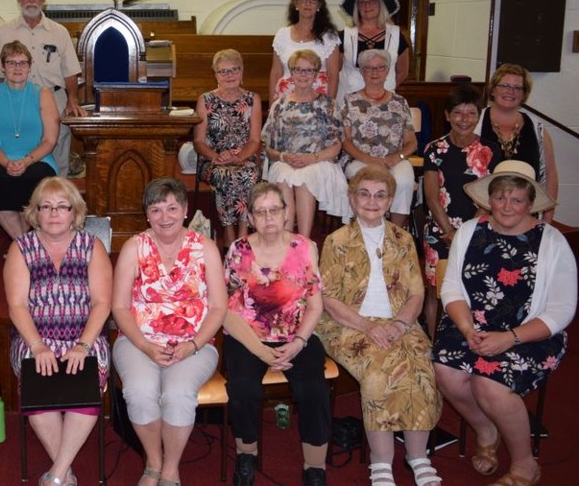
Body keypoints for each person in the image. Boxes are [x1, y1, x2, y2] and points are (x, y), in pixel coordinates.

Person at [434, 161, 575, 486]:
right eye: (500, 198)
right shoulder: (470, 231)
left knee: (488, 383)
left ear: (529, 203)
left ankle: (525, 464)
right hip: (471, 325)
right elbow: (452, 287)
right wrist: (468, 328)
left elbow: (561, 309)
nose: (507, 206)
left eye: (516, 200)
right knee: (447, 372)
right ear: (489, 199)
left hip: (530, 334)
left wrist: (510, 338)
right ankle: (486, 429)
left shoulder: (551, 242)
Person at [317, 165, 442, 486]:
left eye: (380, 195)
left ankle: (418, 456)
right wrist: (367, 326)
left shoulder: (403, 240)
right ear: (352, 198)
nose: (372, 201)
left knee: (421, 367)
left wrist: (400, 325)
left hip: (398, 322)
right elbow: (328, 299)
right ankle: (381, 462)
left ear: (389, 202)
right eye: (364, 193)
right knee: (378, 374)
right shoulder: (336, 241)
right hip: (346, 324)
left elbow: (417, 292)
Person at [111, 178, 227, 486]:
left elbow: (218, 308)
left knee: (177, 395)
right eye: (156, 209)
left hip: (195, 344)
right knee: (139, 391)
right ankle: (153, 462)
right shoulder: (134, 247)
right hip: (138, 342)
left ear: (186, 210)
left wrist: (193, 344)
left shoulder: (205, 248)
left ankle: (171, 468)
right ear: (147, 214)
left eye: (172, 208)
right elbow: (120, 308)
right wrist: (146, 346)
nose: (165, 217)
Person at [4, 177, 112, 486]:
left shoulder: (92, 246)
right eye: (46, 207)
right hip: (35, 338)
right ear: (35, 212)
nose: (54, 214)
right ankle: (66, 473)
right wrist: (38, 346)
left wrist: (82, 345)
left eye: (62, 207)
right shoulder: (21, 247)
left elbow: (102, 303)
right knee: (36, 379)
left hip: (84, 337)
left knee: (87, 374)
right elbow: (17, 306)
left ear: (75, 212)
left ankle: (57, 474)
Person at [223, 183, 331, 486]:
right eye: (261, 212)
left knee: (313, 389)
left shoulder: (305, 248)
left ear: (286, 213)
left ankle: (314, 466)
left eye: (275, 210)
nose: (269, 217)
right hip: (248, 337)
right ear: (252, 218)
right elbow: (226, 311)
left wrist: (297, 344)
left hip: (296, 336)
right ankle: (247, 454)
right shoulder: (239, 251)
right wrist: (262, 351)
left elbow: (315, 306)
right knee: (243, 387)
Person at [421, 84, 500, 337]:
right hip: (440, 229)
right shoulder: (434, 149)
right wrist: (449, 231)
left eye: (471, 113)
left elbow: (491, 196)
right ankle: (435, 341)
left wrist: (465, 232)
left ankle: (469, 337)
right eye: (458, 113)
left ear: (478, 116)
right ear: (447, 115)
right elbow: (432, 197)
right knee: (436, 289)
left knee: (473, 286)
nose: (464, 120)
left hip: (478, 228)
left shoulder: (490, 150)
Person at [0, 0, 85, 177]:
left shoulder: (59, 32)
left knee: (58, 156)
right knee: (20, 155)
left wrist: (73, 99)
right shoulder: (3, 33)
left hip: (54, 98)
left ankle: (59, 203)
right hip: (15, 101)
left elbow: (70, 71)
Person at [0, 41, 59, 240]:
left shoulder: (43, 94)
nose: (17, 68)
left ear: (30, 66)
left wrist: (26, 161)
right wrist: (6, 162)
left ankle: (20, 244)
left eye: (22, 63)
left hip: (37, 158)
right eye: (11, 63)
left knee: (36, 178)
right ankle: (25, 244)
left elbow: (50, 139)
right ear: (3, 67)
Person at [262, 49, 349, 237]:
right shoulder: (280, 105)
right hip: (286, 161)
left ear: (316, 74)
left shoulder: (329, 105)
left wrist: (312, 158)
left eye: (309, 70)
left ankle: (303, 241)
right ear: (291, 73)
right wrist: (284, 156)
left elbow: (336, 146)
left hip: (320, 161)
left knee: (304, 178)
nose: (303, 75)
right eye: (298, 70)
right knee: (284, 178)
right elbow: (268, 148)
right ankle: (285, 241)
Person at [192, 49, 262, 249]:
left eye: (234, 70)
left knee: (247, 173)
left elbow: (255, 140)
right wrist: (216, 156)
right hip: (213, 160)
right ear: (215, 75)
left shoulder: (252, 99)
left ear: (241, 72)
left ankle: (242, 231)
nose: (229, 75)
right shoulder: (205, 100)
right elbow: (198, 141)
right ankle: (229, 230)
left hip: (244, 158)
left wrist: (240, 157)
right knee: (224, 174)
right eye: (223, 71)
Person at [340, 48, 417, 228]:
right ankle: (367, 229)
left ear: (388, 71)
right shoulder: (349, 101)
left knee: (405, 179)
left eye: (380, 67)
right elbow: (345, 140)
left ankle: (394, 232)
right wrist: (369, 159)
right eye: (369, 68)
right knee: (371, 182)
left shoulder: (400, 102)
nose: (374, 72)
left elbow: (411, 142)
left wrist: (396, 158)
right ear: (361, 71)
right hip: (359, 159)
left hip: (394, 160)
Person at [476, 63, 558, 223]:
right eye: (504, 85)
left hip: (525, 218)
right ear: (493, 90)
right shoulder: (475, 122)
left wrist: (547, 219)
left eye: (517, 88)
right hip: (479, 215)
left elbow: (550, 175)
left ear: (524, 94)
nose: (510, 91)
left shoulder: (537, 129)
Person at [336, 0, 410, 103]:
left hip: (384, 102)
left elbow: (402, 71)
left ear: (381, 4)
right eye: (362, 2)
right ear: (357, 7)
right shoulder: (344, 35)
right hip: (349, 103)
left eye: (372, 1)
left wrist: (380, 89)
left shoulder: (396, 34)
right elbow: (335, 70)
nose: (367, 5)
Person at [269, 0, 340, 103]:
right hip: (286, 101)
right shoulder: (282, 35)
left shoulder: (329, 36)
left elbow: (333, 75)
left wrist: (330, 106)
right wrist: (272, 106)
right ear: (296, 3)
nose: (307, 3)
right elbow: (276, 73)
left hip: (319, 102)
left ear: (319, 5)